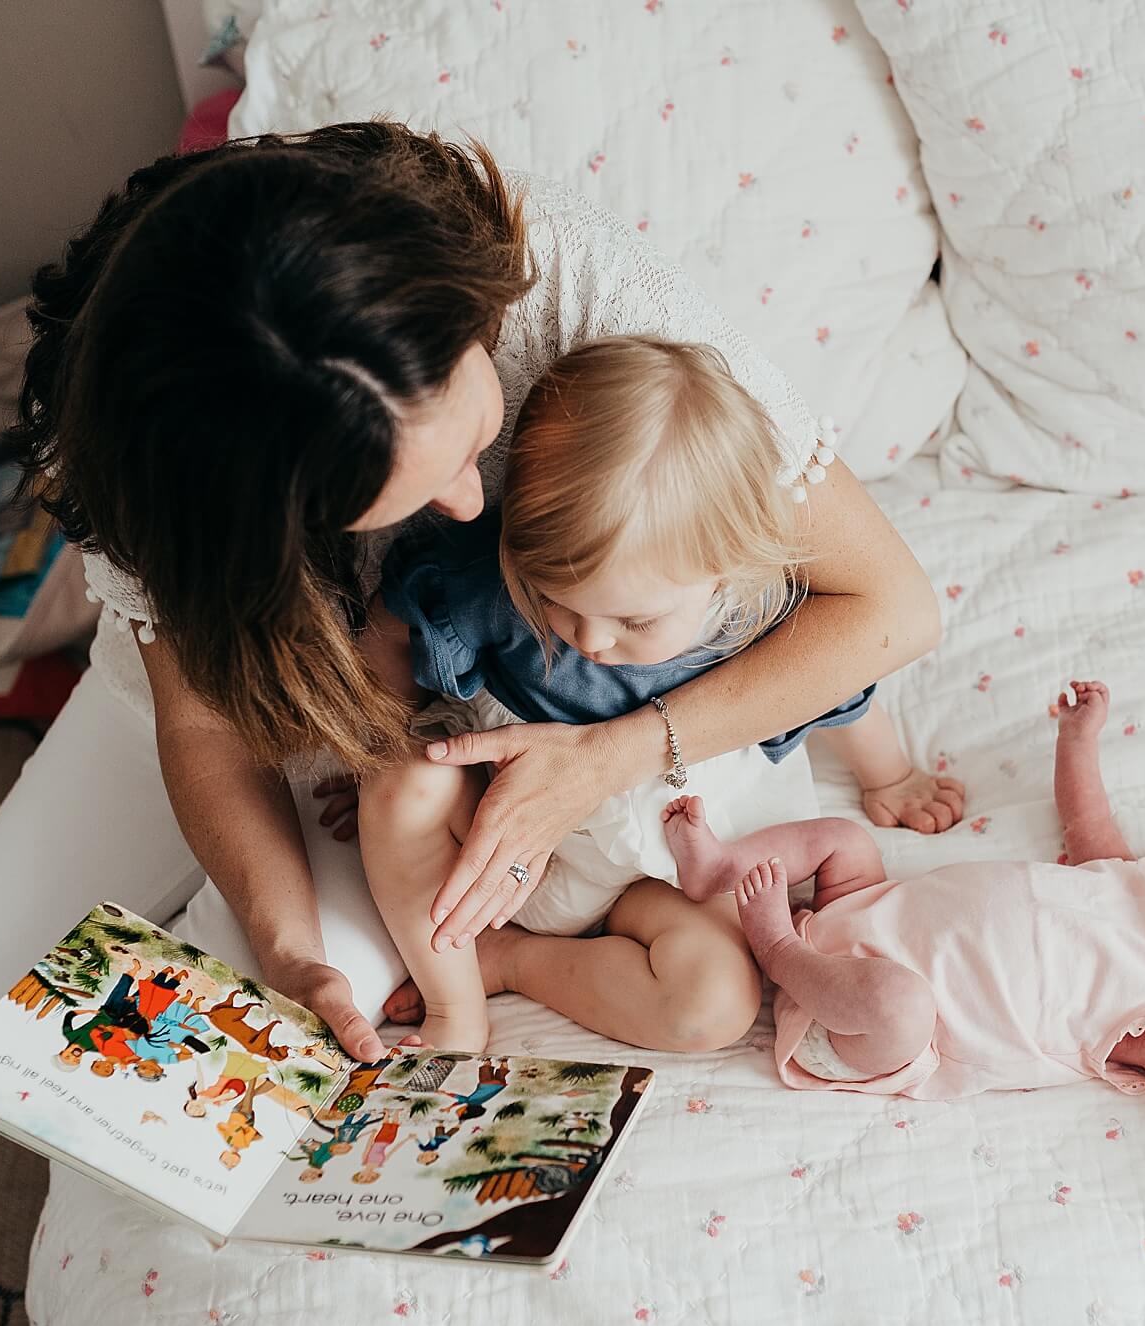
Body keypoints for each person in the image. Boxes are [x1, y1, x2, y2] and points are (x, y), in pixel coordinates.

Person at [0, 120, 938, 1155]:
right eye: (411, 487)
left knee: (278, 1094)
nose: (468, 504)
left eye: (471, 441)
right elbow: (205, 728)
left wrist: (615, 752)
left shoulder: (563, 286)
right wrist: (285, 942)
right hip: (271, 715)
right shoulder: (147, 470)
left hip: (485, 740)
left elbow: (890, 608)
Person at [360, 336, 966, 1051]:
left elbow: (836, 691)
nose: (591, 639)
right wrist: (370, 742)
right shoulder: (492, 589)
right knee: (401, 788)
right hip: (509, 842)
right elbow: (391, 634)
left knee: (713, 1002)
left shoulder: (755, 614)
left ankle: (513, 963)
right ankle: (453, 1004)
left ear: (724, 569)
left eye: (634, 620)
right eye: (558, 600)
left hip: (663, 877)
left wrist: (889, 774)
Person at [661, 681, 1145, 1235]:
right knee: (847, 840)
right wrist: (1079, 739)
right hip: (866, 906)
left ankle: (776, 947)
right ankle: (716, 866)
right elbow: (1088, 821)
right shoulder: (1142, 881)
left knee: (901, 1005)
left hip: (866, 1021)